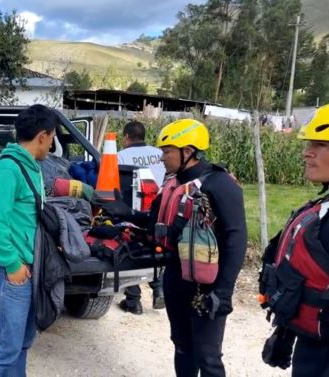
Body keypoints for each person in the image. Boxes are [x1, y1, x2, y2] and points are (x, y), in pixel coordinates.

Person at [97, 118, 247, 376]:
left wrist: (223, 292)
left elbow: (236, 238)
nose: (162, 157)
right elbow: (155, 223)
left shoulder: (219, 184)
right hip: (176, 276)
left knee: (208, 356)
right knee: (182, 347)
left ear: (187, 152)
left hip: (207, 284)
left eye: (167, 151)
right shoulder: (172, 183)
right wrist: (128, 213)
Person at [260, 101, 329, 377]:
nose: (307, 153)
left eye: (321, 144)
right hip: (313, 351)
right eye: (309, 143)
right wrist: (286, 334)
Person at [0, 104, 58, 377]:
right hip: (14, 272)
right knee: (4, 351)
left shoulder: (30, 167)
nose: (52, 144)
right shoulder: (9, 169)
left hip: (29, 270)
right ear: (42, 136)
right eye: (53, 137)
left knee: (22, 344)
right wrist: (12, 265)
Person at [116, 120, 166, 314]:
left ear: (126, 137)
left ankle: (133, 300)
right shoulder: (159, 154)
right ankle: (158, 289)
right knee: (156, 247)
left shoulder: (120, 156)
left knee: (131, 249)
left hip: (132, 211)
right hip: (158, 209)